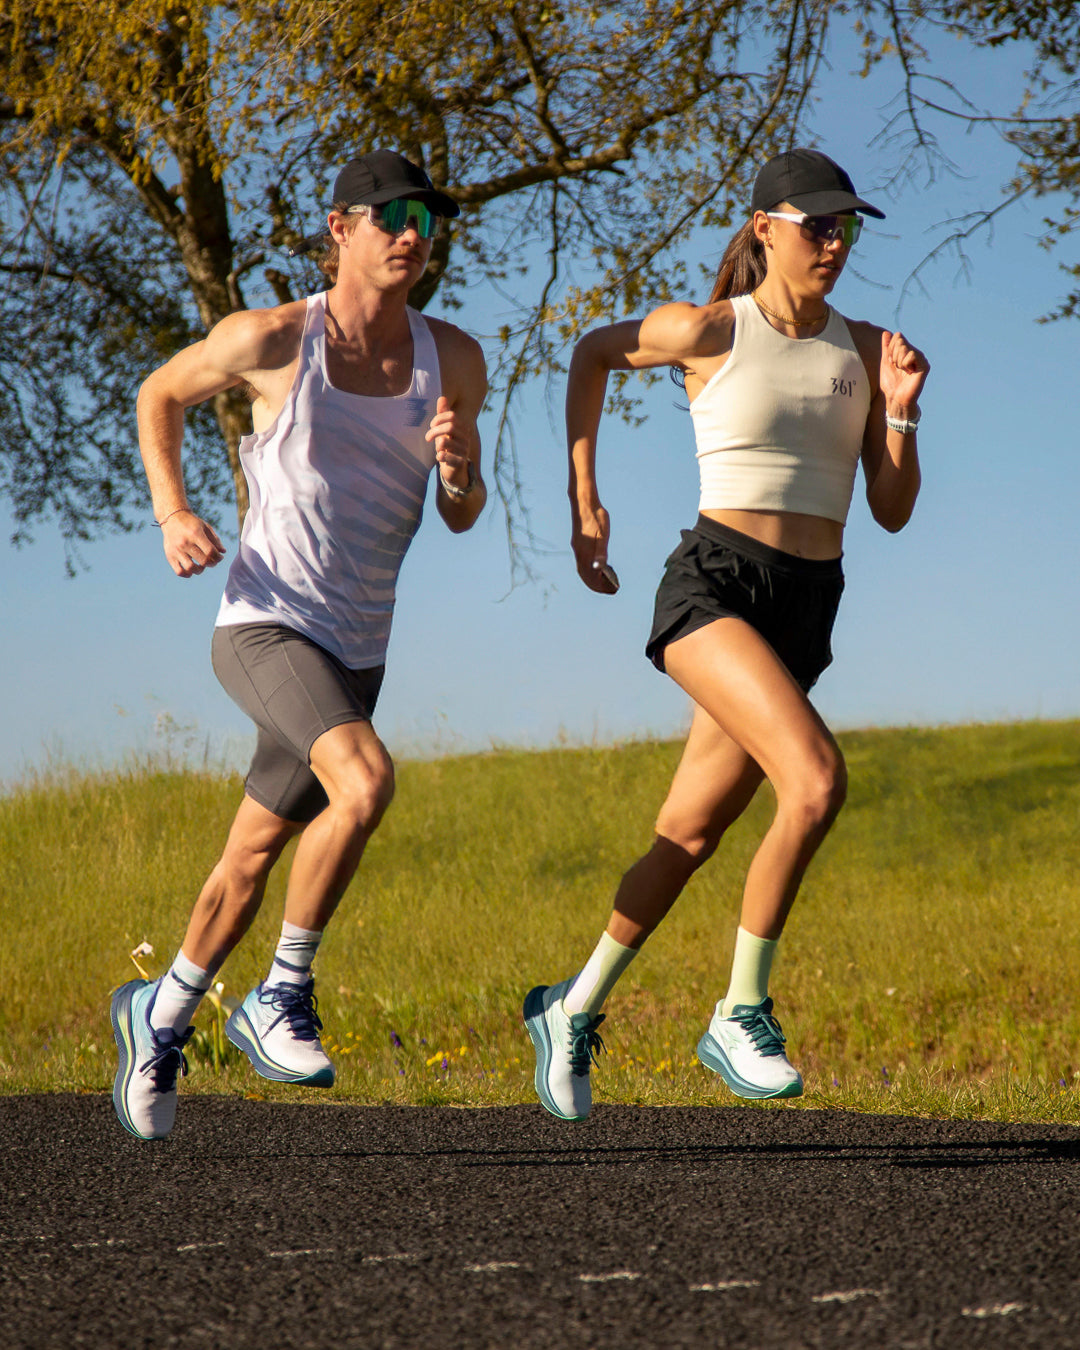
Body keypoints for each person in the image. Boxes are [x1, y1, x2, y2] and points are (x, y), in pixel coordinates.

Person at [524, 148, 929, 1121]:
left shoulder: (869, 350)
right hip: (713, 588)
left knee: (690, 834)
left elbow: (895, 508)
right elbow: (588, 354)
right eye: (816, 225)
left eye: (847, 227)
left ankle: (570, 1010)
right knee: (817, 780)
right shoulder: (707, 329)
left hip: (806, 604)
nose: (834, 242)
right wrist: (586, 497)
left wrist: (904, 418)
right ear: (765, 229)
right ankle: (740, 1010)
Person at [111, 150, 487, 1140]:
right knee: (364, 782)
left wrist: (456, 470)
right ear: (341, 228)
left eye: (428, 218)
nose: (413, 231)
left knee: (248, 862)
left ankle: (161, 1014)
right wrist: (172, 512)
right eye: (393, 214)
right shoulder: (274, 339)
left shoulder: (456, 359)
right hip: (267, 625)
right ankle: (280, 996)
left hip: (359, 650)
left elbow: (462, 511)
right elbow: (158, 394)